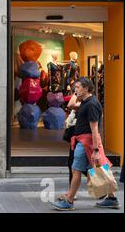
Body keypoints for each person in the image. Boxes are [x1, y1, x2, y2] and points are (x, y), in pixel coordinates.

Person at [51, 77, 120, 211]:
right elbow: (71, 105)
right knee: (98, 170)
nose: (75, 90)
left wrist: (95, 150)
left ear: (87, 88)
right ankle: (111, 199)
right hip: (84, 141)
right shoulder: (85, 102)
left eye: (78, 87)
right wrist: (76, 94)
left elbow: (95, 129)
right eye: (75, 88)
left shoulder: (91, 104)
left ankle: (69, 200)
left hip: (86, 143)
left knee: (76, 169)